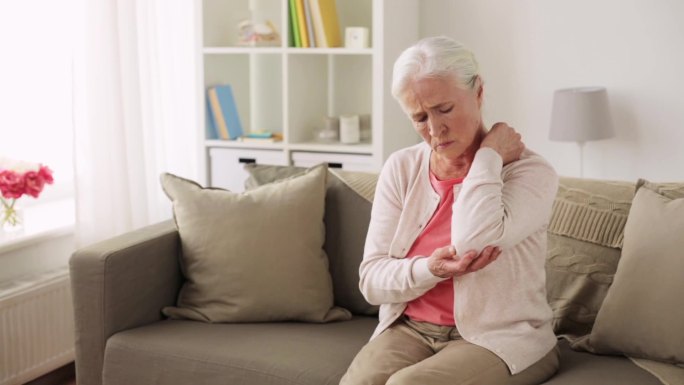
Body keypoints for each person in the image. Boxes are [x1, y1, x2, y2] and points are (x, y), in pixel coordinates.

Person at [340, 36, 560, 385]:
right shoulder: (401, 168)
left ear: (479, 92)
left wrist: (488, 157)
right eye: (419, 117)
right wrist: (430, 269)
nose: (434, 129)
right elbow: (372, 281)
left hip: (502, 339)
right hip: (410, 330)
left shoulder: (530, 173)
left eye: (444, 109)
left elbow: (473, 239)